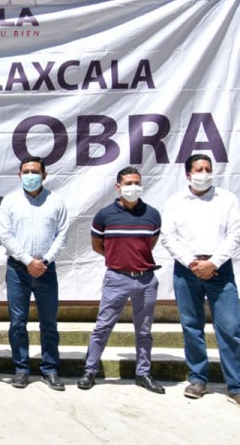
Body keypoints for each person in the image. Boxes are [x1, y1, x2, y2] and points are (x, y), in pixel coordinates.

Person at [160, 153, 240, 405]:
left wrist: (213, 262)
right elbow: (168, 236)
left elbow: (235, 234)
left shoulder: (226, 199)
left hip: (220, 269)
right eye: (198, 169)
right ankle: (197, 379)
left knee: (230, 327)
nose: (204, 173)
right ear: (187, 174)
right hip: (187, 270)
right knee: (192, 326)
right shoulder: (175, 202)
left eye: (207, 168)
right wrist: (192, 263)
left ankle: (235, 384)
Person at [77, 167, 165, 394]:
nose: (132, 187)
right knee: (103, 326)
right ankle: (89, 371)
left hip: (146, 280)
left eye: (136, 182)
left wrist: (135, 261)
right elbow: (97, 246)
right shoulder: (105, 215)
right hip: (116, 278)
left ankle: (143, 373)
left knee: (144, 331)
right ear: (118, 187)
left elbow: (149, 244)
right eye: (128, 183)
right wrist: (119, 260)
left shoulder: (152, 215)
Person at [0, 156, 68, 391]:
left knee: (48, 322)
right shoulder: (10, 202)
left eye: (35, 171)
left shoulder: (56, 201)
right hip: (18, 270)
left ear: (44, 175)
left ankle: (50, 369)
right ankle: (21, 369)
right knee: (18, 322)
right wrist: (29, 261)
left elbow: (62, 235)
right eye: (26, 171)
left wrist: (44, 261)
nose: (30, 175)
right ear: (19, 175)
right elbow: (6, 236)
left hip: (46, 270)